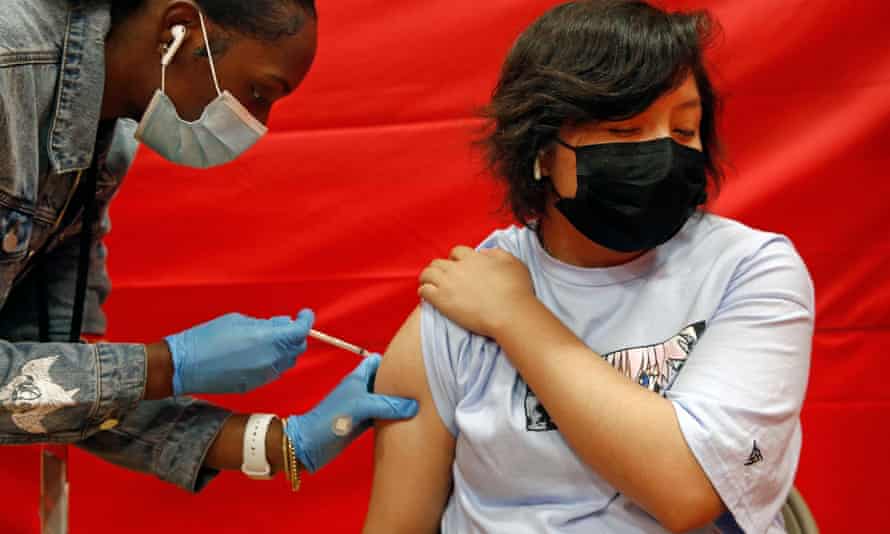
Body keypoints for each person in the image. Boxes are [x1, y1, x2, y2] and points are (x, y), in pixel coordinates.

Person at [364, 1, 815, 532]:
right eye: (624, 132)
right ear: (542, 151)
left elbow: (691, 488)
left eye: (684, 131)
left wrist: (515, 315)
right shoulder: (460, 303)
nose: (663, 156)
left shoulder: (750, 271)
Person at [0, 0, 416, 493]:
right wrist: (168, 364)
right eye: (257, 92)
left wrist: (279, 442)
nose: (255, 125)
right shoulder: (9, 73)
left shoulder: (100, 148)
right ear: (180, 29)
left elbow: (45, 375)